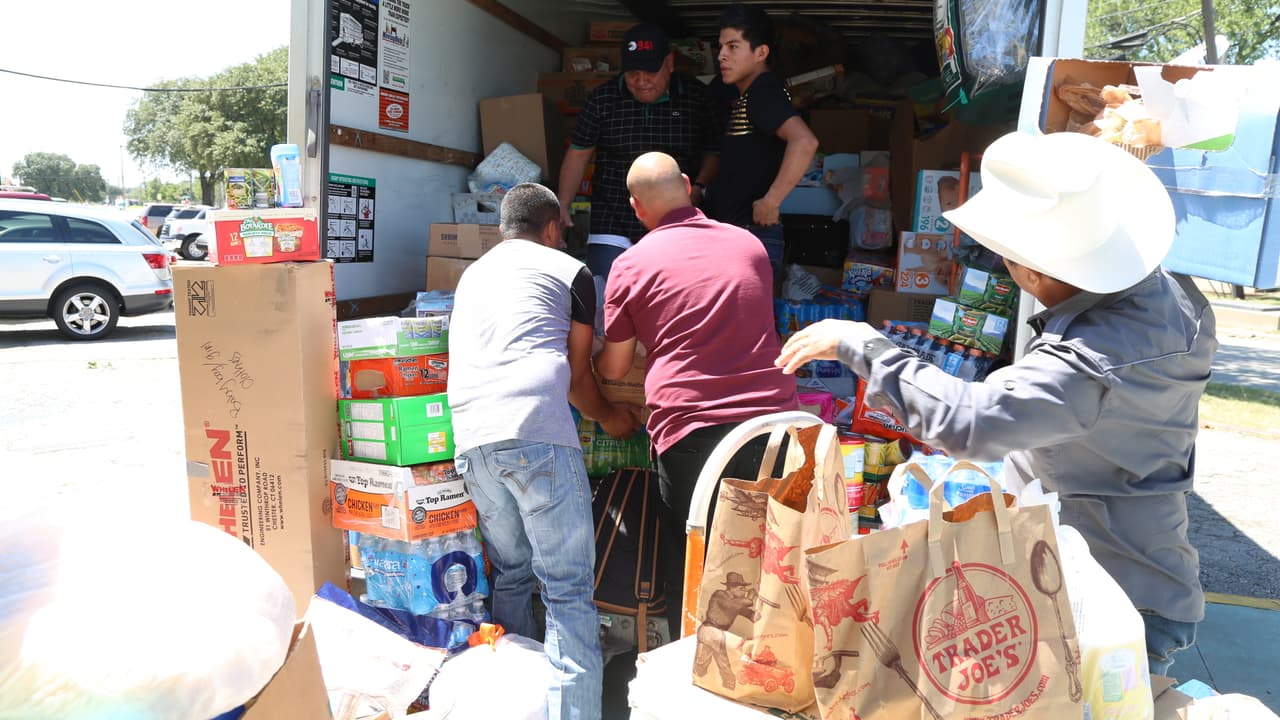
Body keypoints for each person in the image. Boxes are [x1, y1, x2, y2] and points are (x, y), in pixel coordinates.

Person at [775, 131, 1218, 676]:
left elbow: (969, 421)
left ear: (1031, 273)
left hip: (1114, 598)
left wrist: (863, 345)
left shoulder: (1088, 363)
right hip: (1143, 572)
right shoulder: (1173, 297)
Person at [447, 183, 641, 720]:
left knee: (511, 575)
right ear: (553, 227)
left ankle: (515, 707)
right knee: (568, 591)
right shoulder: (569, 270)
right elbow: (579, 377)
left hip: (472, 439)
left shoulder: (471, 275)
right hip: (535, 434)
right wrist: (615, 418)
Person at [595, 152, 798, 635]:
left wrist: (587, 358)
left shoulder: (631, 265)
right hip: (776, 427)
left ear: (635, 207)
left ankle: (693, 672)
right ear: (688, 185)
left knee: (695, 559)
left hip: (693, 432)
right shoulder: (749, 244)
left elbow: (617, 365)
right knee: (769, 555)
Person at [556, 22, 721, 301]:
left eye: (650, 72)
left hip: (674, 219)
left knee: (668, 298)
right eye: (633, 73)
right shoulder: (602, 99)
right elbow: (579, 154)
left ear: (669, 63)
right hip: (613, 215)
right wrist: (562, 204)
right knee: (607, 298)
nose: (642, 80)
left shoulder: (695, 97)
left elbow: (714, 151)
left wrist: (699, 188)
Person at [704, 3, 818, 283]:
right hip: (741, 236)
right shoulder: (751, 94)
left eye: (733, 47)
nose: (722, 56)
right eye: (720, 47)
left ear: (761, 53)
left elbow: (804, 141)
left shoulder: (763, 92)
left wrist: (772, 200)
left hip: (752, 238)